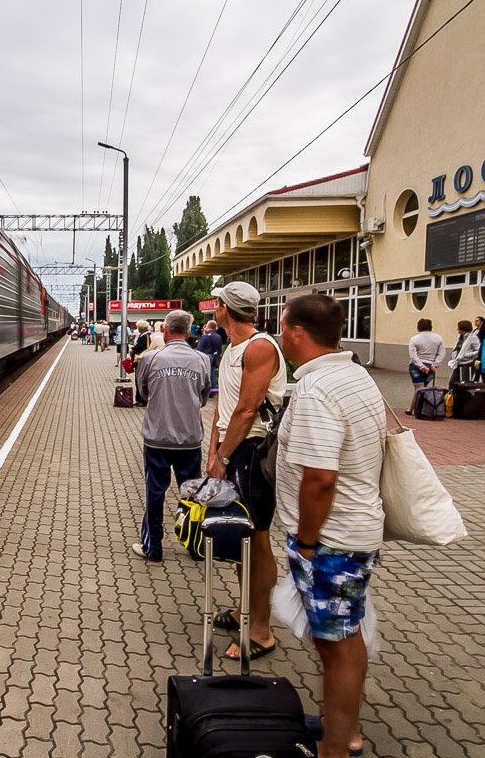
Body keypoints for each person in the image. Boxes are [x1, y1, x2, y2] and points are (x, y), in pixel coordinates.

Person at [275, 294, 385, 758]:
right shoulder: (355, 375)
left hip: (331, 541)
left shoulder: (317, 390)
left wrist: (305, 542)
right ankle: (345, 727)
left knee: (335, 645)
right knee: (345, 634)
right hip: (353, 532)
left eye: (282, 327)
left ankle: (337, 748)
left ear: (298, 332)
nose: (280, 336)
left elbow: (320, 479)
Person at [206, 281, 287, 661]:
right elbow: (225, 406)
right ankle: (244, 610)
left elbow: (247, 410)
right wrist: (213, 452)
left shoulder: (259, 347)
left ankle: (262, 631)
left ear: (224, 307)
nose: (213, 306)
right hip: (233, 449)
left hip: (253, 453)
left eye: (216, 302)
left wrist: (223, 457)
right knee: (242, 538)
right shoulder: (233, 347)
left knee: (257, 539)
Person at [131, 309, 210, 562]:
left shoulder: (150, 358)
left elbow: (143, 394)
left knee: (155, 491)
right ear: (189, 332)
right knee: (192, 493)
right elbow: (204, 397)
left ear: (164, 330)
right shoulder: (202, 359)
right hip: (189, 439)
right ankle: (195, 545)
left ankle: (153, 548)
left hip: (158, 437)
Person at [404, 319, 444, 415]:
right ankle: (420, 408)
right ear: (431, 327)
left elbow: (413, 355)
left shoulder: (414, 339)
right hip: (431, 366)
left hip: (415, 367)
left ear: (419, 327)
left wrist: (421, 366)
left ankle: (413, 409)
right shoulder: (438, 338)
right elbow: (441, 353)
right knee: (424, 388)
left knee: (418, 388)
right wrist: (435, 364)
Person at [446, 320, 480, 386]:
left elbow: (478, 351)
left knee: (465, 383)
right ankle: (453, 395)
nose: (457, 330)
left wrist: (466, 355)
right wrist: (454, 355)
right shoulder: (460, 337)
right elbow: (457, 348)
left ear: (462, 329)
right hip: (458, 363)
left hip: (467, 364)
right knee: (452, 382)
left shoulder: (473, 338)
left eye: (458, 328)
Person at [196, 319, 223, 392]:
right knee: (213, 372)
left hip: (206, 356)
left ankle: (206, 390)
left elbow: (200, 348)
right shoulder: (218, 336)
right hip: (215, 356)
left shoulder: (205, 336)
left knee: (205, 373)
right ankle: (213, 389)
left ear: (208, 326)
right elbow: (219, 348)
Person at [473, 316, 485, 380]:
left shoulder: (484, 331)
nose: (475, 323)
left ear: (482, 322)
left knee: (479, 368)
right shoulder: (475, 330)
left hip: (480, 351)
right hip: (474, 351)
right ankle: (475, 379)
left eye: (477, 321)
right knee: (477, 369)